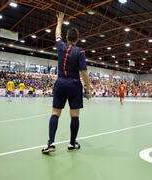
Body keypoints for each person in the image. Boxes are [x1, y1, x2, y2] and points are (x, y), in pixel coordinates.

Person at [42, 12, 91, 154]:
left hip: (60, 83)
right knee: (74, 115)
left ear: (67, 37)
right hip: (74, 84)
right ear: (78, 39)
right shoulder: (80, 51)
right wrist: (88, 90)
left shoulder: (61, 47)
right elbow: (84, 72)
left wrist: (59, 22)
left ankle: (51, 143)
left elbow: (57, 34)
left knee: (55, 113)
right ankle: (72, 144)